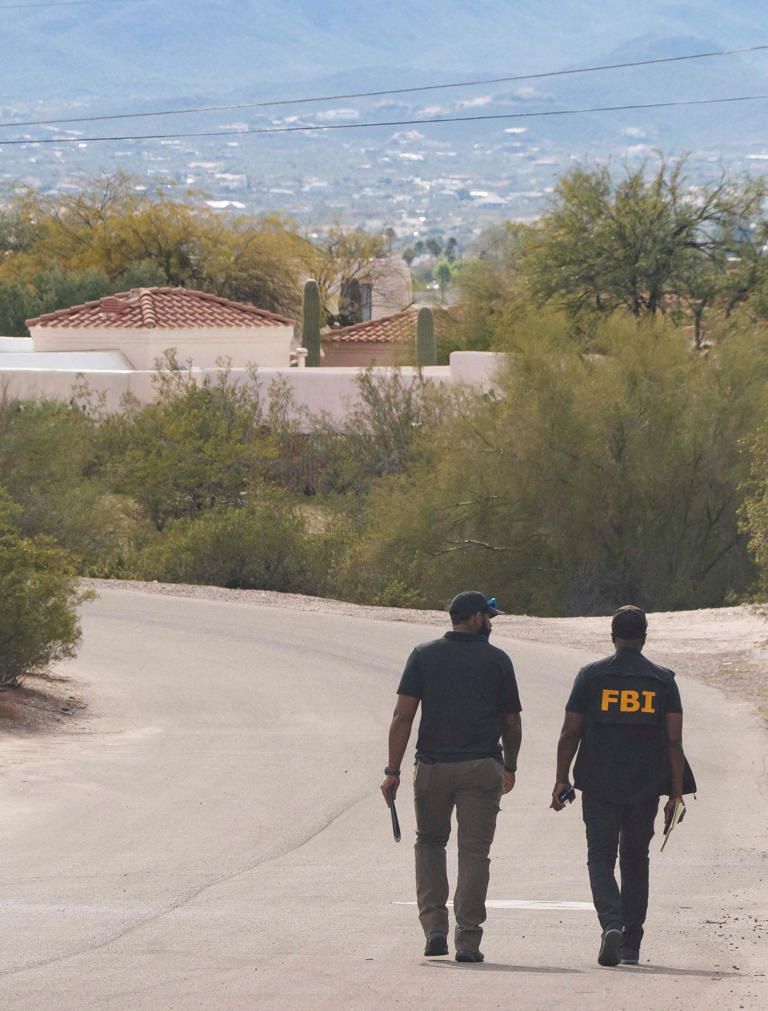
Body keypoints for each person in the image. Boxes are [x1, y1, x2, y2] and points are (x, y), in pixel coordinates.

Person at [380, 591, 522, 963]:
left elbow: (403, 716)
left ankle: (435, 929)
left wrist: (393, 771)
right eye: (489, 617)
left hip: (432, 768)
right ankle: (468, 940)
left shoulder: (424, 655)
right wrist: (510, 765)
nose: (491, 623)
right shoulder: (497, 660)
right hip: (481, 768)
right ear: (476, 618)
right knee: (474, 852)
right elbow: (511, 721)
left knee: (429, 843)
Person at [550, 604, 690, 967]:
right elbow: (674, 741)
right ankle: (631, 943)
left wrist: (561, 777)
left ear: (612, 637)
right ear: (644, 637)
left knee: (600, 858)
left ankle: (610, 922)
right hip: (643, 788)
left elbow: (570, 731)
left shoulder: (591, 677)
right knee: (634, 859)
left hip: (598, 785)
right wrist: (675, 794)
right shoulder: (662, 681)